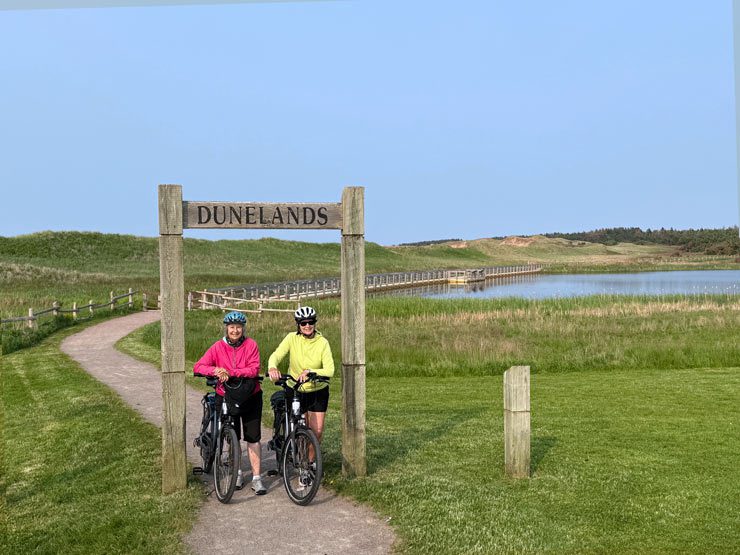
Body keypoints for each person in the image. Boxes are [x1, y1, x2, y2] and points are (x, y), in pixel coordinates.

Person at [194, 311, 267, 495]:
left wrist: (231, 372)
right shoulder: (218, 347)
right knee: (231, 435)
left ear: (243, 329)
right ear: (226, 329)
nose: (235, 331)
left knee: (253, 438)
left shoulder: (251, 345)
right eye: (232, 327)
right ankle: (237, 473)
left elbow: (254, 369)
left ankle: (257, 478)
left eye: (238, 327)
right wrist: (216, 370)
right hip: (225, 395)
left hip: (250, 395)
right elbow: (198, 366)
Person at [267, 306, 334, 452]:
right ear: (298, 324)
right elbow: (276, 355)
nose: (307, 326)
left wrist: (311, 372)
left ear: (315, 323)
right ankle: (296, 454)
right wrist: (272, 367)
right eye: (303, 323)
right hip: (295, 388)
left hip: (317, 390)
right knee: (300, 428)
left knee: (317, 432)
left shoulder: (323, 342)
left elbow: (330, 370)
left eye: (311, 322)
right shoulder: (291, 338)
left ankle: (310, 463)